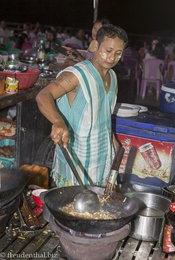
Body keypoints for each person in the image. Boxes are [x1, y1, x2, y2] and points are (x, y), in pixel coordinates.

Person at [36, 24, 128, 187]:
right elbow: (43, 96)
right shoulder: (76, 75)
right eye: (108, 50)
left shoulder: (112, 77)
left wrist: (113, 141)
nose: (112, 57)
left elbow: (103, 114)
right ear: (95, 46)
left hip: (102, 157)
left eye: (118, 53)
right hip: (76, 160)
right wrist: (58, 121)